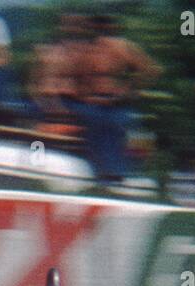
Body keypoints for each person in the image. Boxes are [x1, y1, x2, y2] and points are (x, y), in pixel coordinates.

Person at [68, 14, 160, 183]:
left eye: (102, 28)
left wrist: (128, 91)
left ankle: (132, 176)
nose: (99, 32)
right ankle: (98, 178)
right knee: (93, 131)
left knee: (137, 134)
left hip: (120, 103)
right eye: (95, 28)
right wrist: (88, 98)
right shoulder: (85, 50)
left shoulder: (122, 47)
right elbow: (75, 80)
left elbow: (150, 69)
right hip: (93, 104)